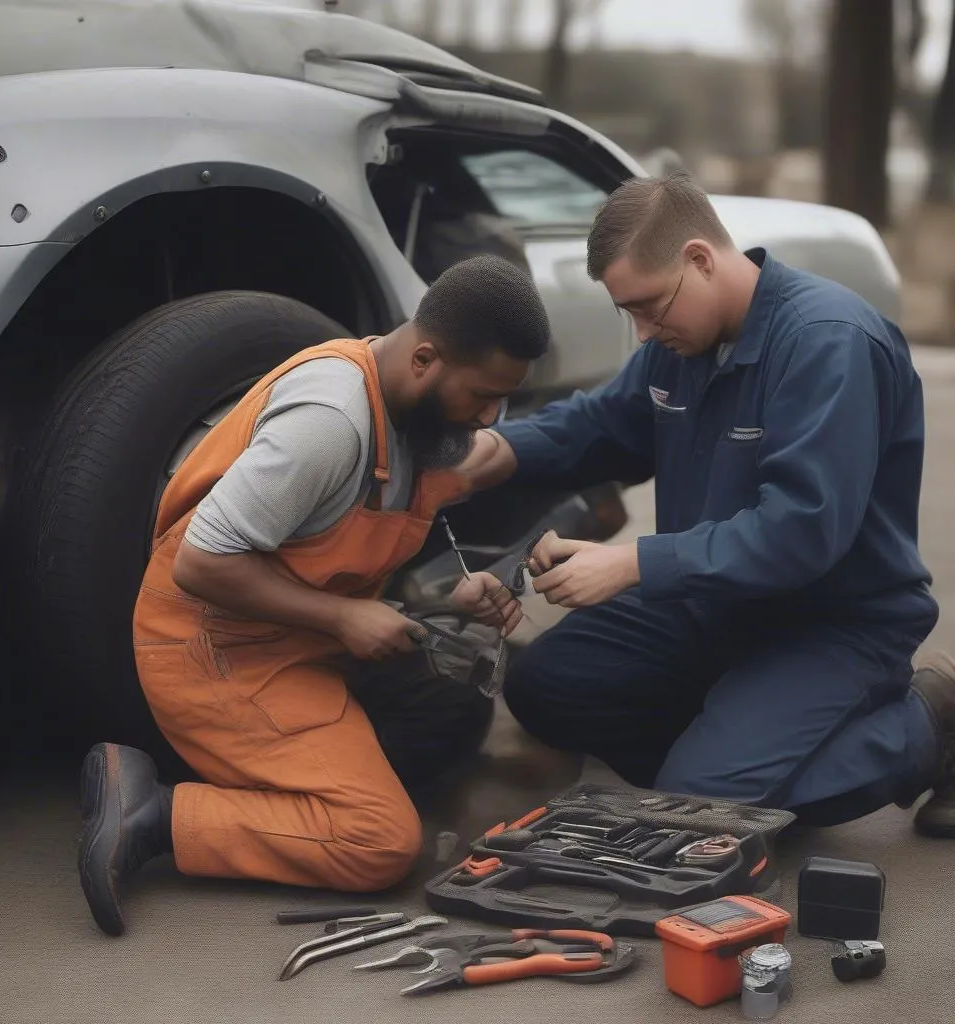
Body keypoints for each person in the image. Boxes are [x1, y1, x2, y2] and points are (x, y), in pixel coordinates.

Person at [460, 171, 955, 835]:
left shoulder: (828, 343)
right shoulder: (682, 340)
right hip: (711, 603)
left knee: (698, 813)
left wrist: (633, 564)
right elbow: (603, 424)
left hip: (830, 623)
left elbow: (799, 533)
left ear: (698, 259)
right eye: (626, 311)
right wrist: (497, 450)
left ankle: (927, 721)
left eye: (649, 306)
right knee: (546, 683)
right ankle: (731, 755)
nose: (641, 332)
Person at [77, 254, 550, 936]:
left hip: (304, 638)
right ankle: (153, 811)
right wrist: (342, 617)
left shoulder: (413, 414)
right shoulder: (329, 423)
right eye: (481, 396)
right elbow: (202, 565)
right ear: (424, 360)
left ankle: (294, 784)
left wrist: (452, 596)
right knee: (381, 843)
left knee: (453, 709)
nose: (488, 416)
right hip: (216, 652)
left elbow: (359, 544)